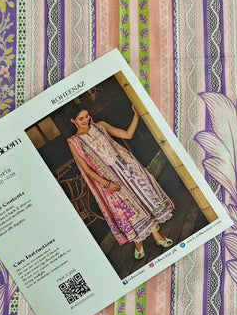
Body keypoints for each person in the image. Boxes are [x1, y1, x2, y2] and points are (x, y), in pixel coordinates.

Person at [67, 105, 174, 259]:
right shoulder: (74, 142)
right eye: (81, 118)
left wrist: (136, 115)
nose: (86, 120)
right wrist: (106, 184)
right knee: (128, 209)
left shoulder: (100, 126)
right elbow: (87, 170)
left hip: (127, 168)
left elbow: (127, 135)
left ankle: (157, 236)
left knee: (143, 199)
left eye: (87, 116)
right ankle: (138, 243)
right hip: (108, 179)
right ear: (73, 121)